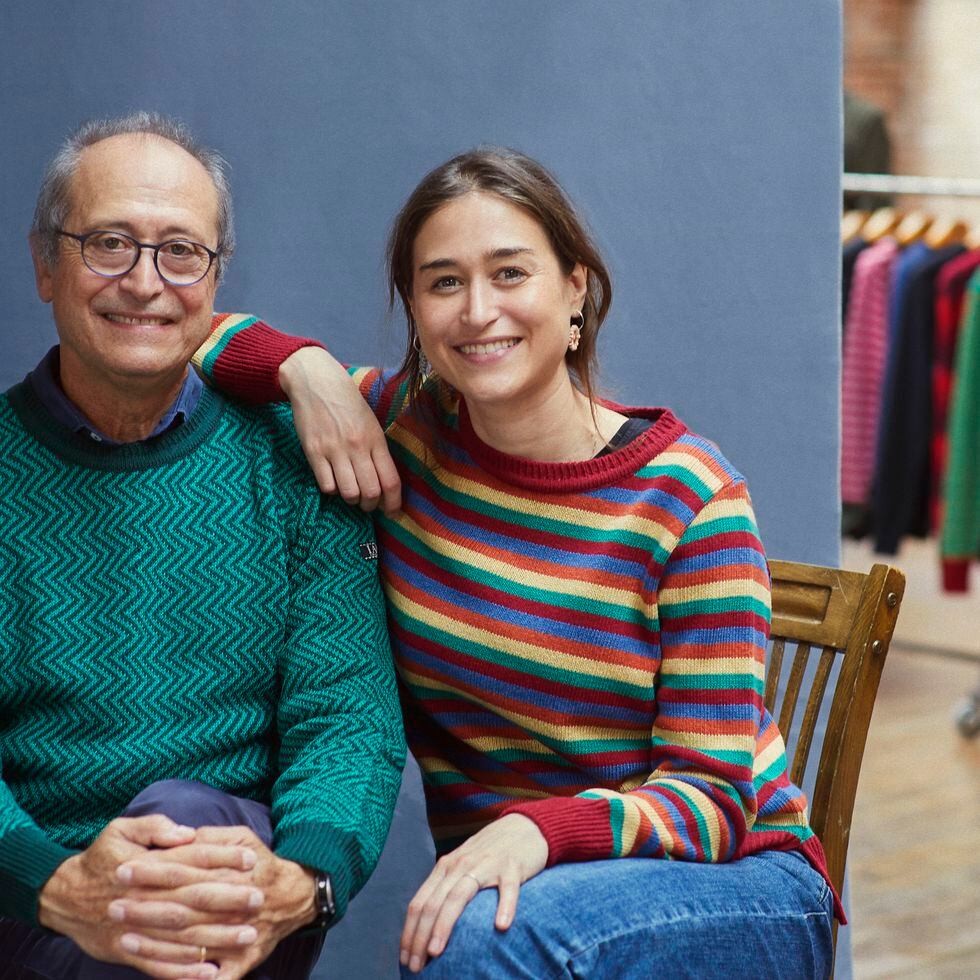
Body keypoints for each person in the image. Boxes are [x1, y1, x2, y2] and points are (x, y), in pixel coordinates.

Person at [199, 148, 840, 978]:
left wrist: (543, 827)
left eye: (510, 273)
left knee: (478, 942)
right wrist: (308, 371)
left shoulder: (687, 498)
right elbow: (192, 333)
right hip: (523, 891)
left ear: (576, 287)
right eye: (442, 282)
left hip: (738, 886)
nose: (477, 311)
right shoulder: (406, 430)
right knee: (480, 938)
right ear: (417, 311)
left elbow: (712, 802)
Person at [0, 112, 405, 980]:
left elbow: (347, 718)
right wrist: (54, 882)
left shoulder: (297, 463)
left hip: (237, 897)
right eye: (109, 243)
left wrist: (304, 881)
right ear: (44, 263)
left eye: (180, 252)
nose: (145, 282)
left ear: (216, 280)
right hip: (23, 896)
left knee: (185, 828)